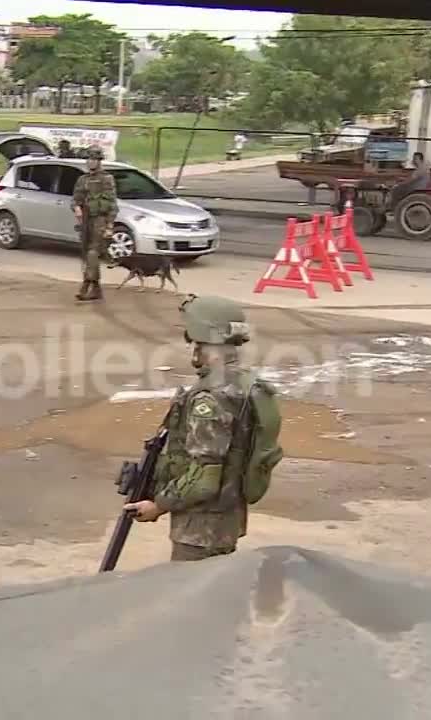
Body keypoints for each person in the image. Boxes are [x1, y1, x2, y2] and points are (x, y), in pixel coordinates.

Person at [123, 295, 283, 560]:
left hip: (201, 530)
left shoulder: (210, 397)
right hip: (225, 520)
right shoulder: (244, 383)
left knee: (192, 595)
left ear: (202, 341)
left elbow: (204, 479)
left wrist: (158, 505)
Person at [70, 146, 117, 302]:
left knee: (92, 253)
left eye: (94, 159)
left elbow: (112, 204)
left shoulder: (106, 179)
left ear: (99, 161)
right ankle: (96, 288)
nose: (91, 162)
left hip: (100, 220)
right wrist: (76, 207)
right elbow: (75, 198)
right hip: (86, 220)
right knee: (86, 254)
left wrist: (110, 226)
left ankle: (86, 285)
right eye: (89, 159)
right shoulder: (82, 180)